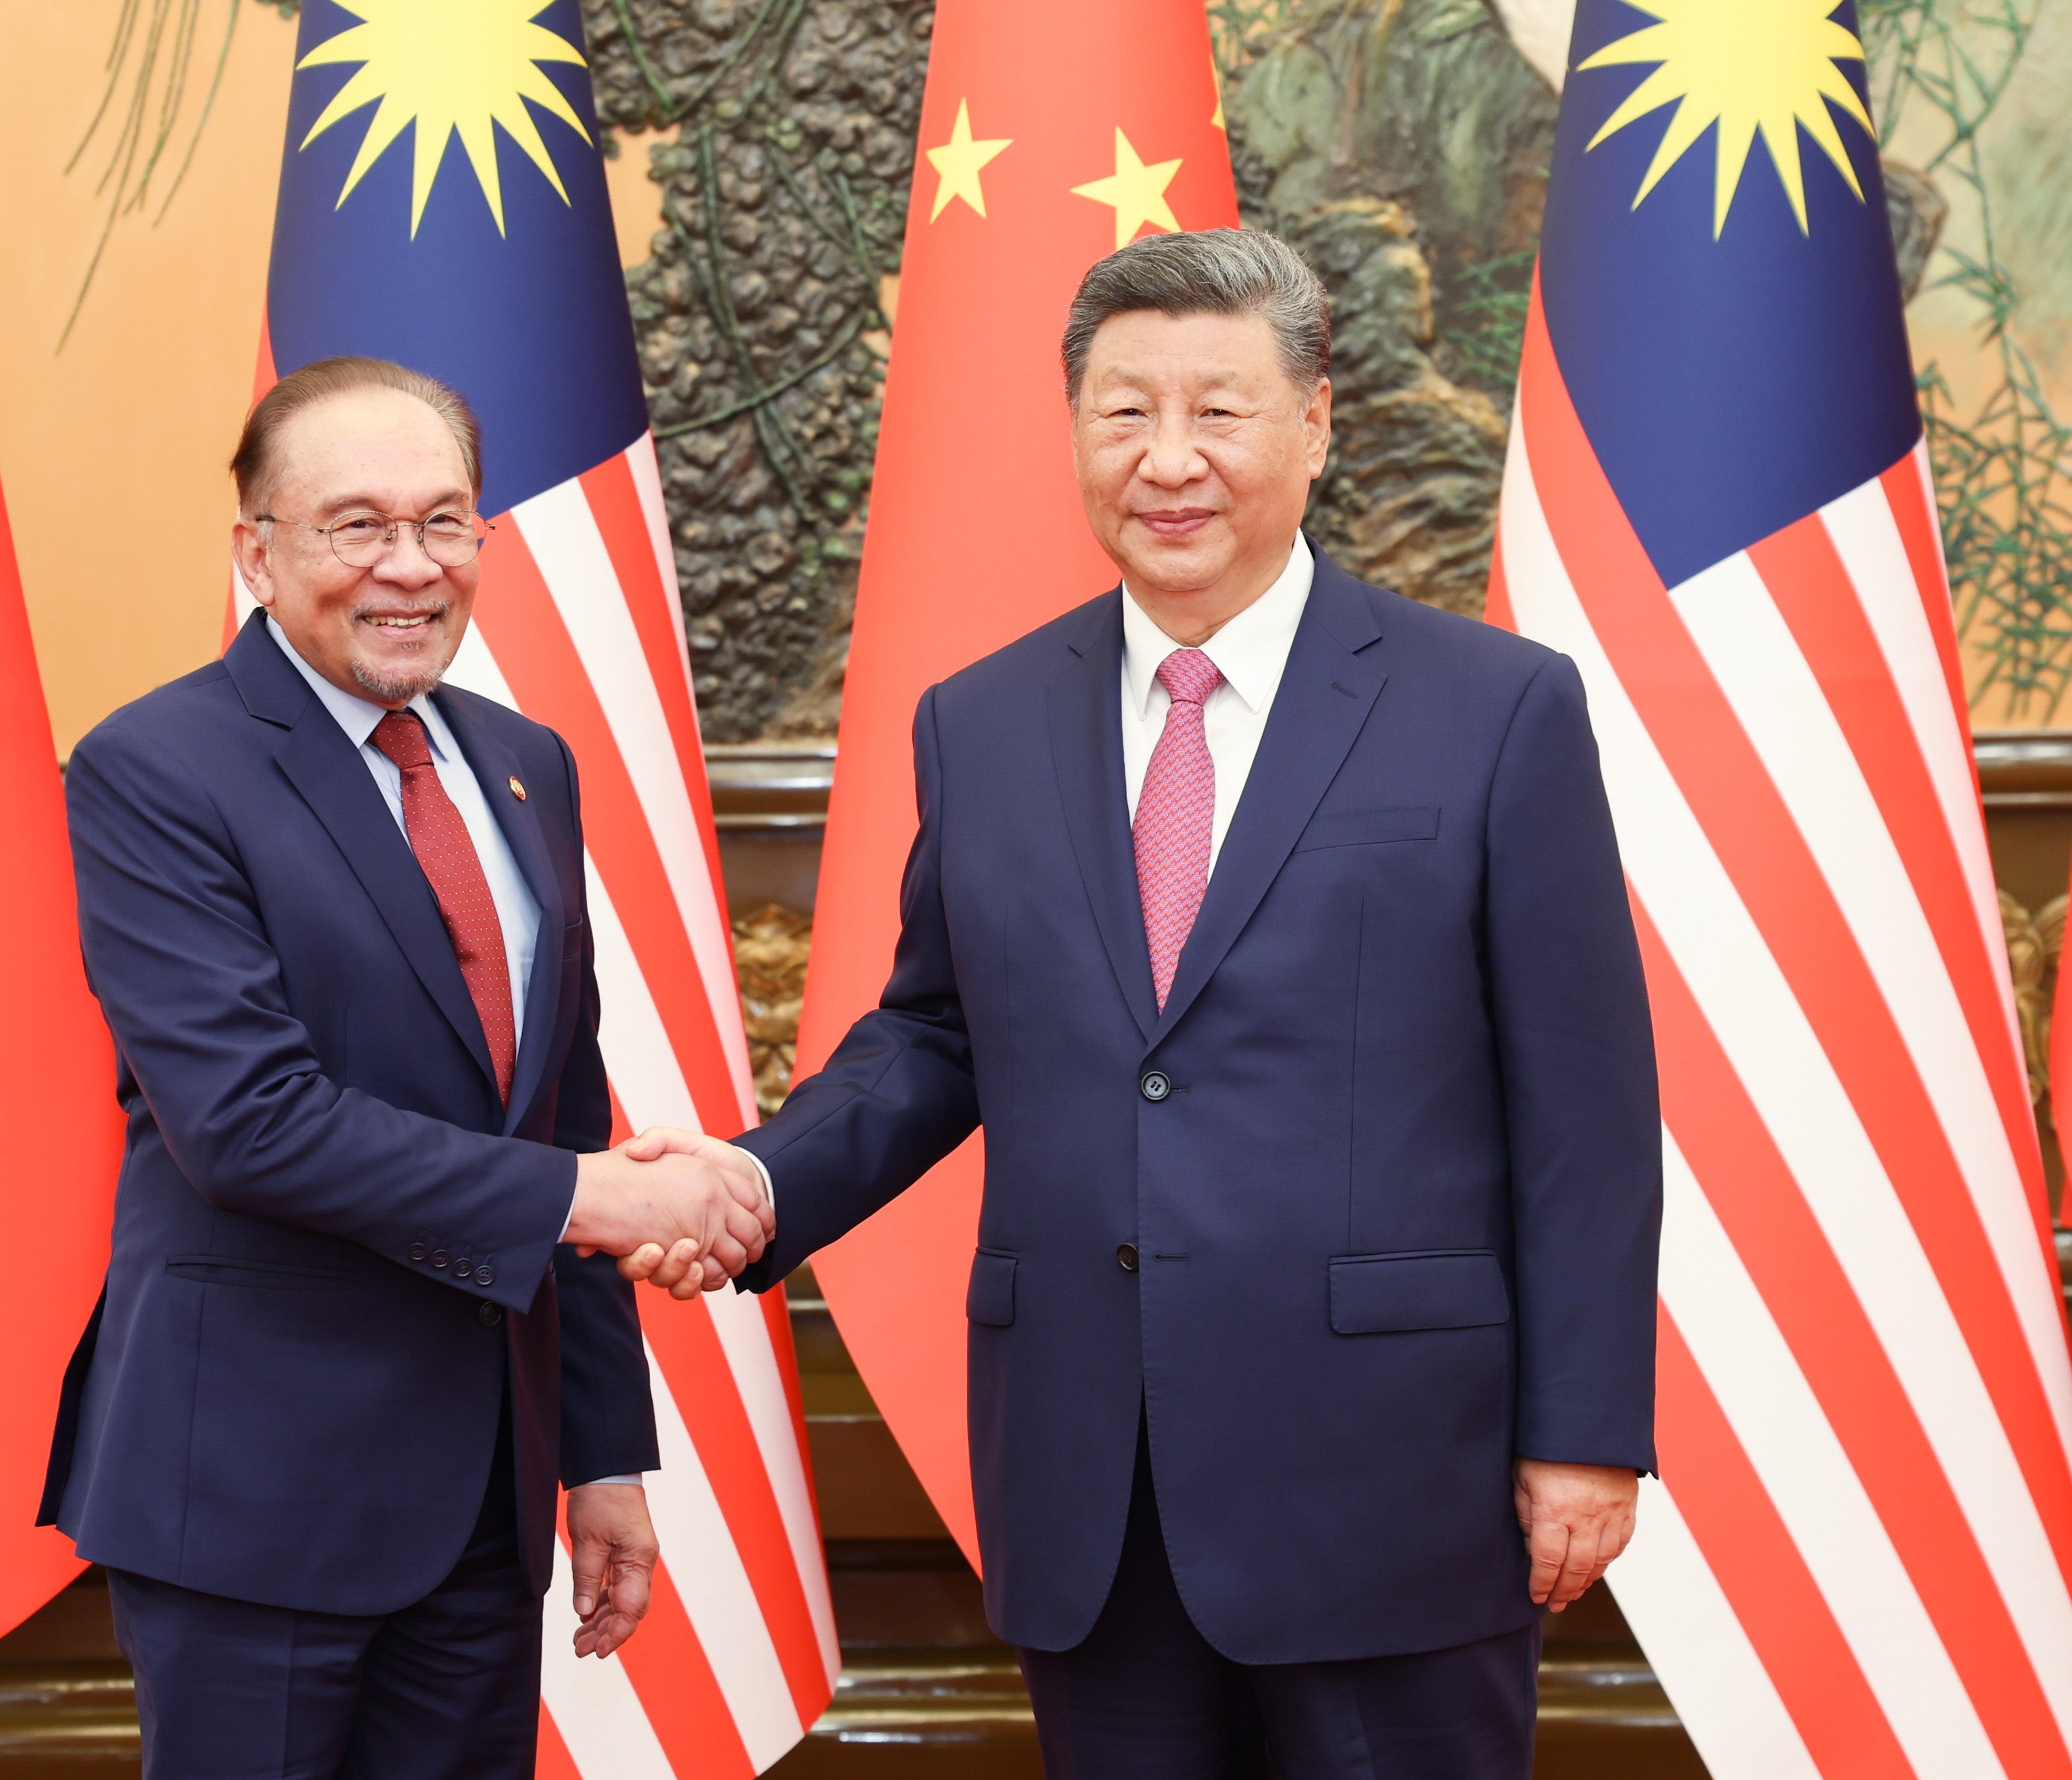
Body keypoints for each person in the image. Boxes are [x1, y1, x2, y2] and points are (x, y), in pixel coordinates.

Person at [633, 230, 1662, 1777]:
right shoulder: (980, 721)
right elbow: (936, 1031)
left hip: (1394, 1483)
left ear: (1315, 424)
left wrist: (1582, 1431)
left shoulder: (1494, 708)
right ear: (1074, 433)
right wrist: (759, 1177)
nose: (1168, 460)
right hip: (1094, 1489)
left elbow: (1584, 1106)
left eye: (1219, 411)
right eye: (1124, 414)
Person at [39, 355, 768, 1780]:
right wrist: (590, 1199)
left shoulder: (523, 764)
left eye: (446, 522)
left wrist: (599, 1455)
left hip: (482, 1503)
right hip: (255, 1498)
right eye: (356, 525)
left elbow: (563, 1113)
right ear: (258, 550)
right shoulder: (155, 770)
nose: (410, 566)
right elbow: (249, 1125)